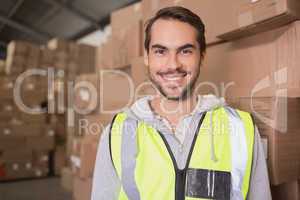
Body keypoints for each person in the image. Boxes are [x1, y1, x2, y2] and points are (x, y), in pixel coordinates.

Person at [91, 6, 271, 200]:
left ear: (202, 56)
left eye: (185, 51)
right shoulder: (116, 133)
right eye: (160, 51)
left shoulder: (242, 129)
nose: (172, 65)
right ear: (146, 57)